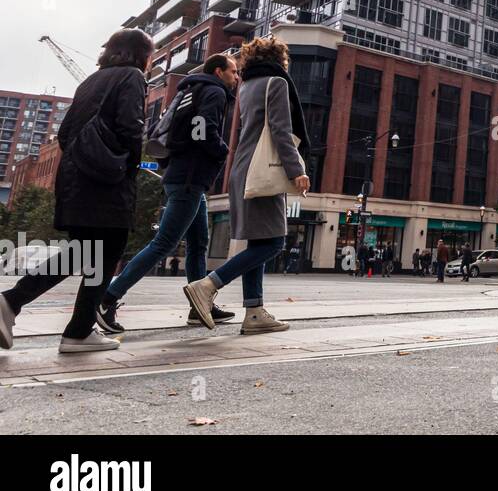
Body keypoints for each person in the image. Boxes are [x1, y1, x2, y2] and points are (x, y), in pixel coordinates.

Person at [1, 28, 152, 354]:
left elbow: (66, 133)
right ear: (141, 53)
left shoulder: (90, 82)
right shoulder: (133, 77)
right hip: (107, 183)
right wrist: (127, 167)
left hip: (75, 179)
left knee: (85, 250)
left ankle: (64, 324)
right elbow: (131, 127)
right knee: (105, 250)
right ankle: (66, 327)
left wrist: (86, 162)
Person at [97, 54, 240, 334]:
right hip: (189, 178)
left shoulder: (189, 90)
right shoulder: (212, 90)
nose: (237, 78)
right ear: (219, 71)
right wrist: (222, 150)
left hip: (184, 176)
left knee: (199, 243)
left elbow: (167, 132)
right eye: (234, 72)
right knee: (163, 243)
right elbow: (201, 130)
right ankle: (108, 297)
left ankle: (200, 307)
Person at [183, 36, 311, 335]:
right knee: (274, 242)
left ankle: (254, 312)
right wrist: (297, 170)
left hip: (243, 167)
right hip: (264, 170)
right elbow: (280, 130)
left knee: (258, 241)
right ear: (280, 59)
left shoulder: (247, 85)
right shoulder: (276, 83)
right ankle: (207, 286)